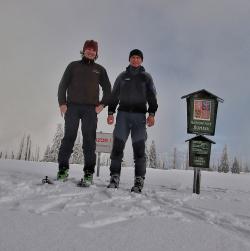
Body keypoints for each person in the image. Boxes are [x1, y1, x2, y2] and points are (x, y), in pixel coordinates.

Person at [57, 40, 111, 186]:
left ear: (96, 53)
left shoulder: (100, 69)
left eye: (93, 50)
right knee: (69, 138)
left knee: (89, 141)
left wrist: (102, 105)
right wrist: (62, 103)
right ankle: (62, 170)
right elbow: (62, 85)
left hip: (90, 110)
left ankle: (88, 173)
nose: (90, 52)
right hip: (72, 107)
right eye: (88, 49)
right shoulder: (73, 66)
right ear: (83, 51)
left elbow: (108, 90)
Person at [107, 49, 158, 193]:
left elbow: (152, 97)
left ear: (141, 60)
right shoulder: (122, 76)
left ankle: (139, 179)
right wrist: (111, 112)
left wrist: (152, 113)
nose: (135, 60)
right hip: (123, 115)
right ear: (129, 59)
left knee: (139, 150)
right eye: (133, 57)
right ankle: (114, 176)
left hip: (139, 117)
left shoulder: (146, 77)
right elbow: (114, 95)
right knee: (117, 147)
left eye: (138, 58)